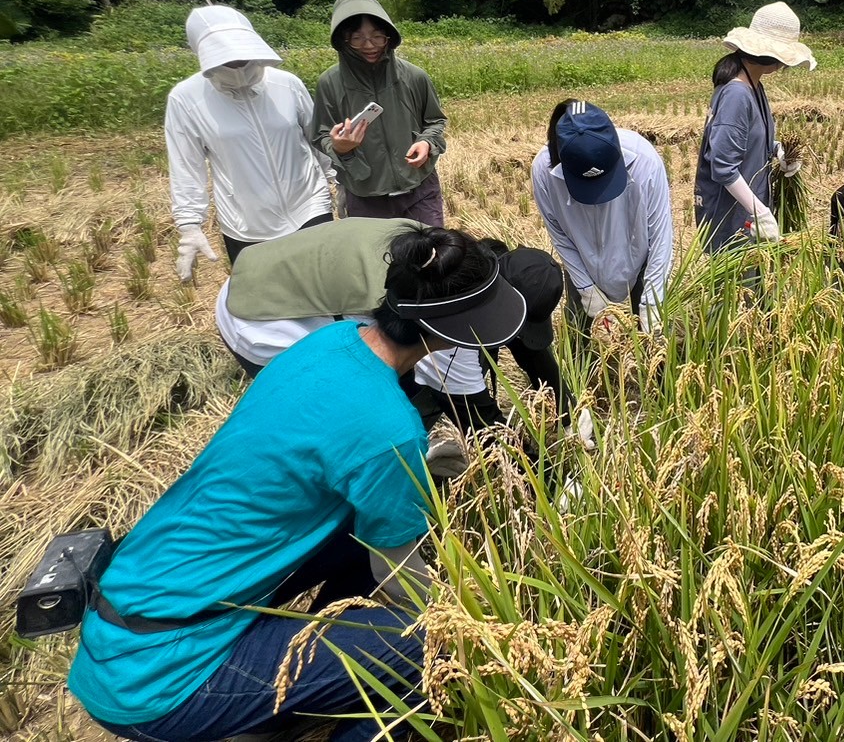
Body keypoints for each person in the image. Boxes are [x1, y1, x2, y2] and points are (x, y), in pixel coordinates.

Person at [68, 226, 527, 742]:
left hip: (124, 620)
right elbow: (399, 575)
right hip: (161, 677)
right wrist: (477, 620)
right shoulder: (387, 431)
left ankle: (288, 691)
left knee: (359, 528)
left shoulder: (329, 344)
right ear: (449, 332)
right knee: (437, 653)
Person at [214, 218, 567, 428]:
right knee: (346, 413)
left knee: (407, 381)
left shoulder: (447, 256)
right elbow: (477, 420)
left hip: (288, 269)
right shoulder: (447, 318)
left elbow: (533, 353)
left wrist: (567, 410)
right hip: (262, 314)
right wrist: (538, 474)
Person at [165, 5, 334, 280]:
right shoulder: (186, 100)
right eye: (226, 60)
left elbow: (317, 137)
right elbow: (186, 167)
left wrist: (336, 178)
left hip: (310, 206)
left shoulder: (287, 84)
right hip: (246, 223)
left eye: (243, 56)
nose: (237, 65)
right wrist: (189, 225)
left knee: (328, 289)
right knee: (271, 306)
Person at [532, 100, 674, 337]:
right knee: (582, 334)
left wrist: (652, 304)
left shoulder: (644, 161)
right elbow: (559, 235)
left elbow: (661, 235)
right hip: (582, 261)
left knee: (652, 337)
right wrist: (587, 289)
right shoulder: (543, 172)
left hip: (638, 257)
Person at [313, 0, 448, 225]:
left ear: (389, 36)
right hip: (365, 194)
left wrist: (427, 142)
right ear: (343, 40)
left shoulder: (414, 77)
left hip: (419, 189)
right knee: (376, 261)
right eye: (357, 38)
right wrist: (340, 148)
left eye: (377, 36)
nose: (369, 45)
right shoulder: (330, 83)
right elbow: (320, 134)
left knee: (433, 256)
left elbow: (435, 121)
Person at [694, 2, 814, 252]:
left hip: (748, 209)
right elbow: (724, 167)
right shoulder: (737, 94)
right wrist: (759, 212)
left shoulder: (754, 86)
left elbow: (753, 138)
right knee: (738, 288)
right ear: (769, 56)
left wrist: (778, 151)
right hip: (732, 217)